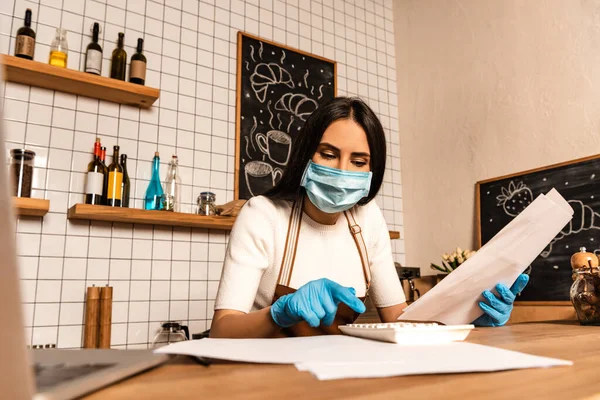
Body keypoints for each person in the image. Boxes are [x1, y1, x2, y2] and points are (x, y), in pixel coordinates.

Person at [210, 97, 529, 338]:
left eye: (358, 161)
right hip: (265, 383)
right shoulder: (262, 215)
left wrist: (469, 316)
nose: (341, 171)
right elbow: (221, 331)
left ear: (371, 171)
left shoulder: (367, 220)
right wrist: (278, 314)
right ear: (306, 154)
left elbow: (400, 320)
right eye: (328, 154)